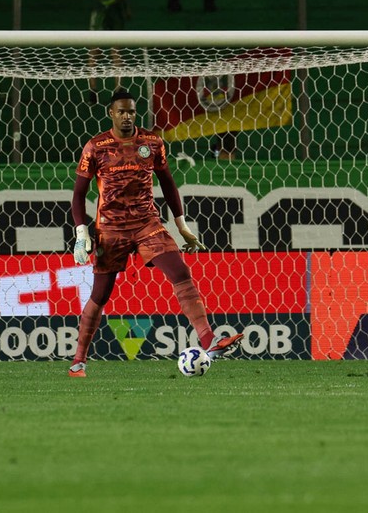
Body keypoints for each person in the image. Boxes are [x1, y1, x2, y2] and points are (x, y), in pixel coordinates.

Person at [67, 90, 243, 377]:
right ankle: (78, 361)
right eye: (121, 111)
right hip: (111, 228)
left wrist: (182, 225)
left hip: (147, 224)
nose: (127, 116)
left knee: (181, 273)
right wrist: (81, 233)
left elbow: (168, 183)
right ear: (111, 113)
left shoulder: (151, 142)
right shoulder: (95, 147)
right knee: (100, 293)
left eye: (132, 112)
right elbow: (78, 194)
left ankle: (210, 342)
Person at [80, 0, 128, 103]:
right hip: (99, 4)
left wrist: (126, 4)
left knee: (116, 49)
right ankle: (93, 91)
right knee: (94, 50)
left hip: (115, 6)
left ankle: (118, 89)